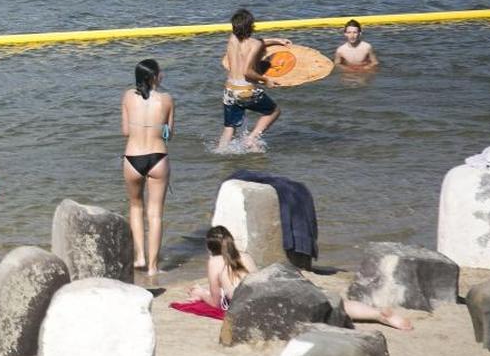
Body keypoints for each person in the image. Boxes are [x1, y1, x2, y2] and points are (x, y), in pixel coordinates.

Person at [186, 226, 412, 330]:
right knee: (327, 300)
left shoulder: (214, 262)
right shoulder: (245, 256)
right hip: (270, 287)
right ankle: (376, 314)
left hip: (253, 303)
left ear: (210, 248)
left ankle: (377, 315)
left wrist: (200, 293)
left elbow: (216, 302)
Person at [121, 59, 175, 276]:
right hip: (158, 158)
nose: (163, 75)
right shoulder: (167, 99)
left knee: (135, 207)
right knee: (155, 214)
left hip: (132, 158)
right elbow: (169, 134)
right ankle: (153, 267)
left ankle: (140, 257)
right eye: (160, 72)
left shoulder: (127, 96)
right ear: (153, 76)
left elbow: (125, 131)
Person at [218, 8, 291, 151]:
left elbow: (258, 42)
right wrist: (266, 80)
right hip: (245, 91)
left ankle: (220, 152)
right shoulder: (255, 44)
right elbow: (248, 72)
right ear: (251, 26)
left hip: (229, 90)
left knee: (230, 127)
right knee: (274, 111)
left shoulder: (232, 39)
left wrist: (277, 41)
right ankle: (251, 138)